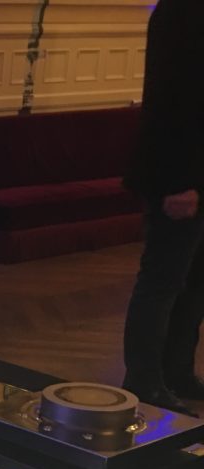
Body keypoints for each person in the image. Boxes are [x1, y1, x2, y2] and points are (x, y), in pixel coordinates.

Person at [121, 0, 204, 416]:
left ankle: (177, 371)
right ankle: (144, 379)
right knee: (163, 281)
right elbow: (174, 103)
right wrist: (181, 182)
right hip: (180, 176)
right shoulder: (183, 10)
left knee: (196, 282)